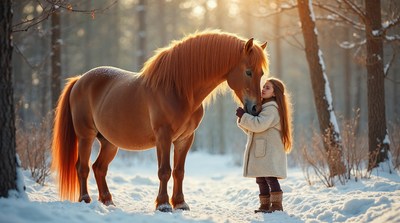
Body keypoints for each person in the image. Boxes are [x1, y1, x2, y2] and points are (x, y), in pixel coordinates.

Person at [235, 77, 293, 213]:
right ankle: (264, 205)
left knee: (270, 178)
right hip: (263, 151)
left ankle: (277, 205)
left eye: (267, 87)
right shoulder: (265, 107)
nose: (263, 89)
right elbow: (253, 128)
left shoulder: (272, 108)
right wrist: (243, 118)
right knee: (261, 179)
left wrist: (244, 116)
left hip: (269, 151)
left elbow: (259, 124)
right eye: (263, 86)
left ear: (274, 93)